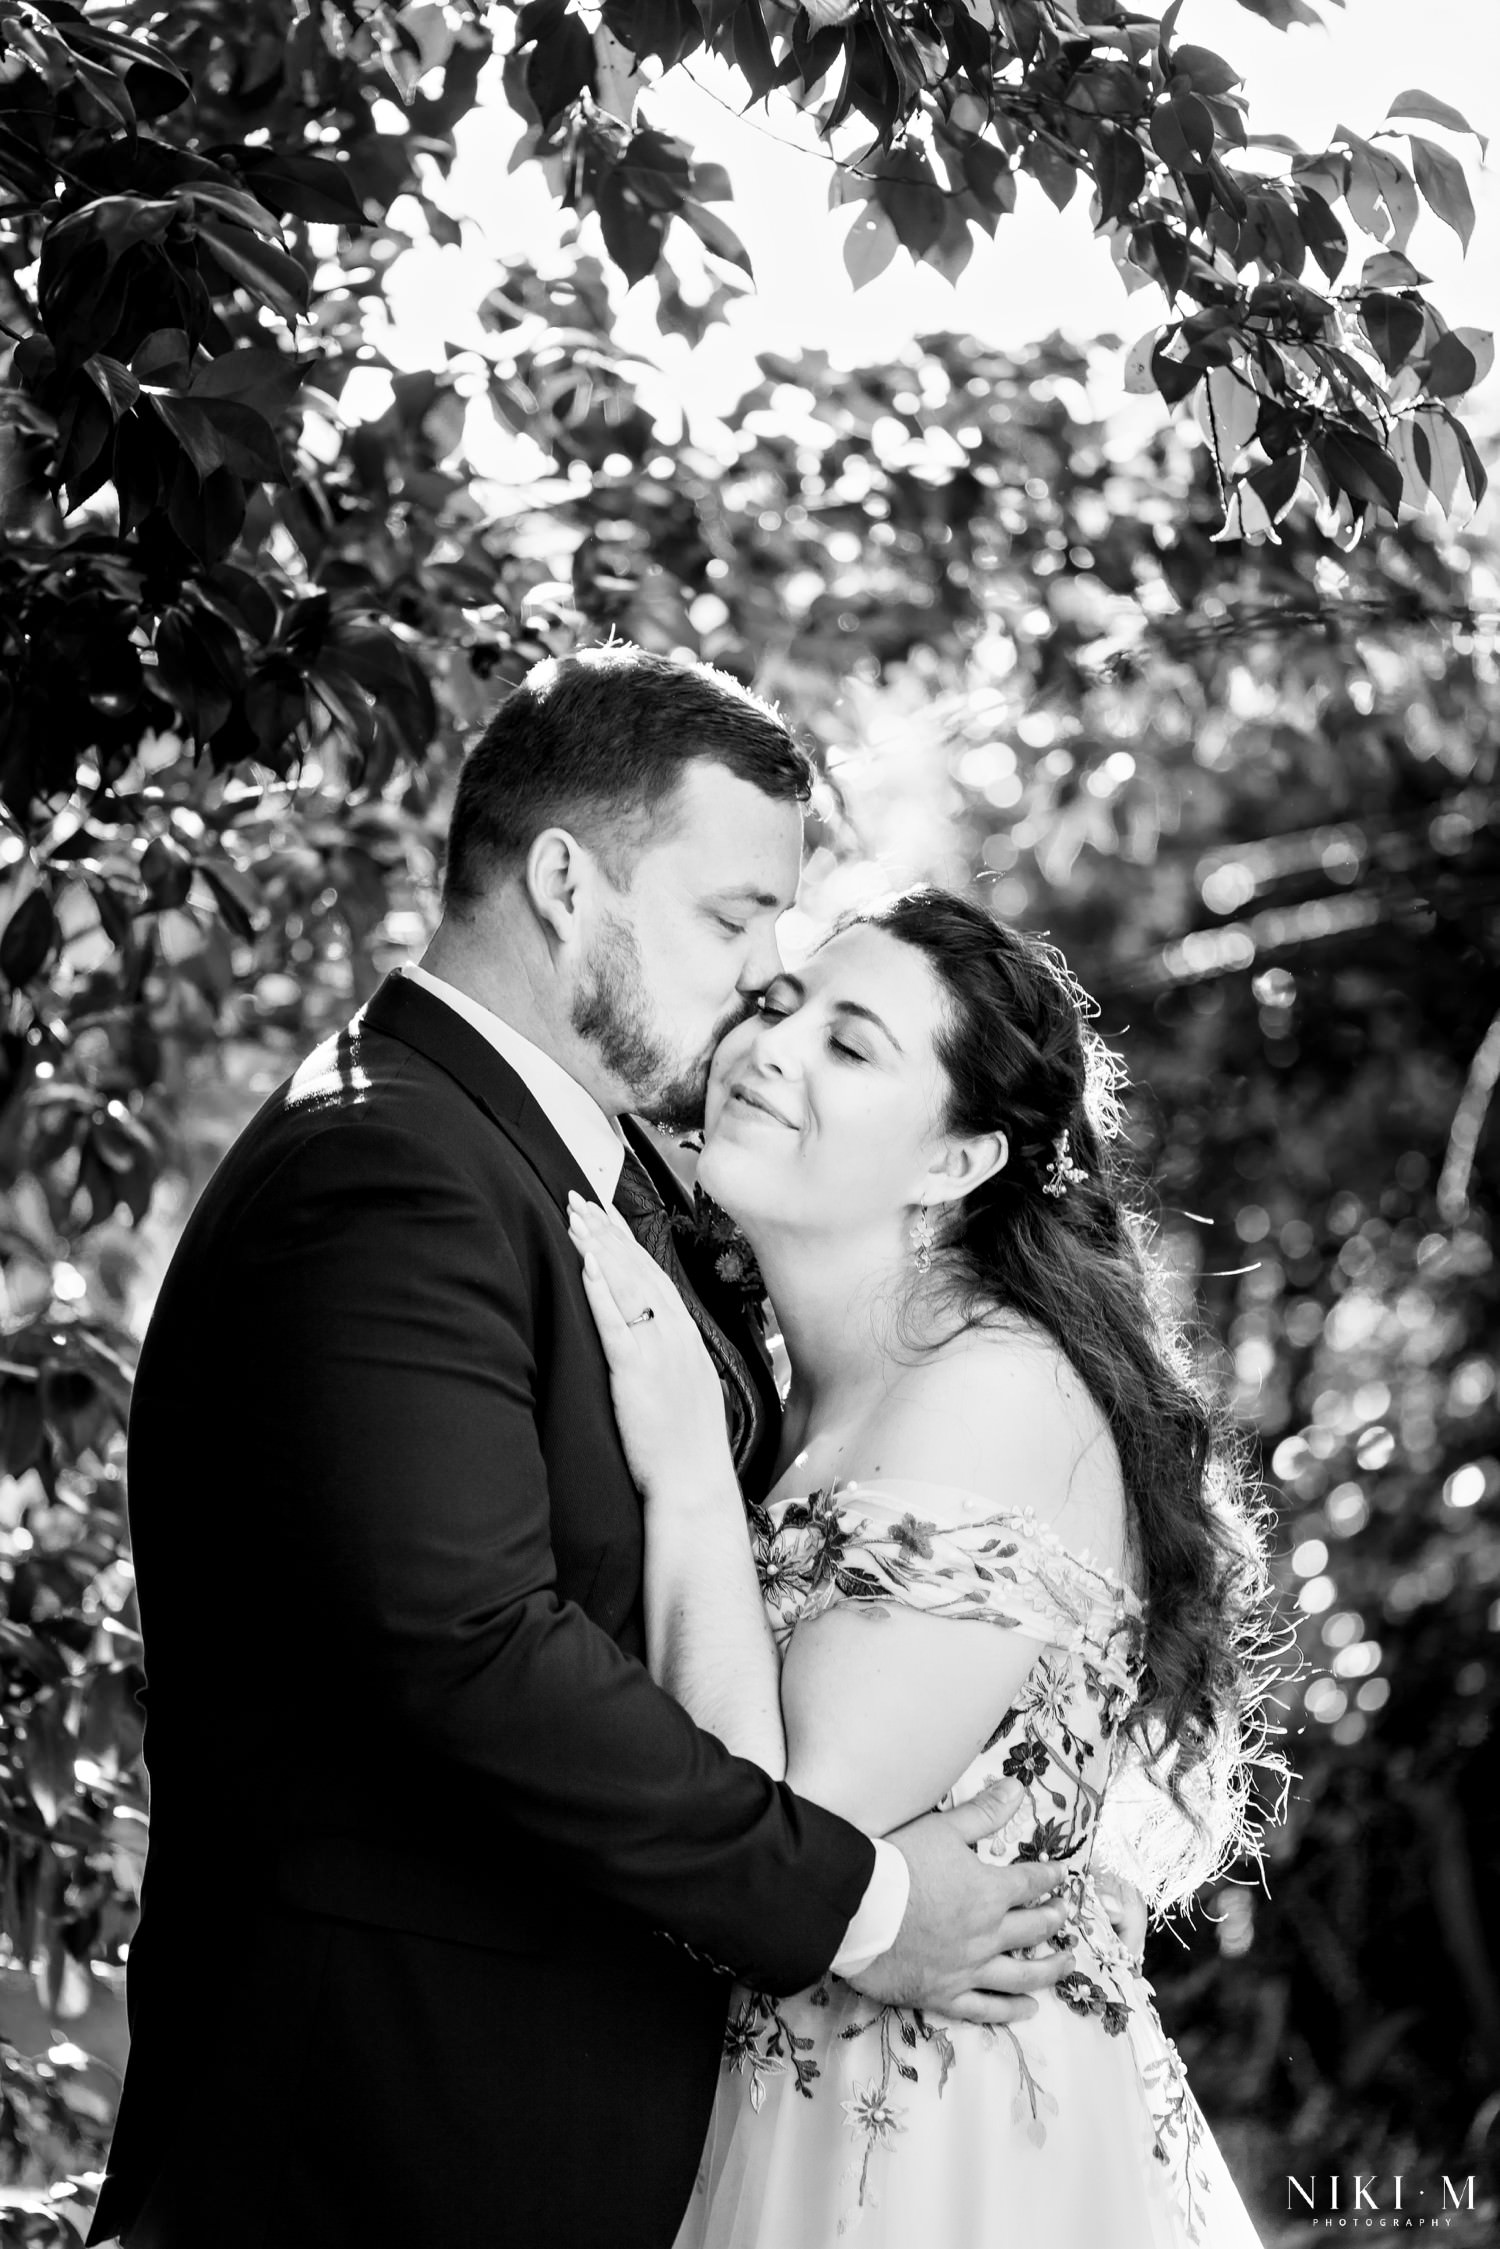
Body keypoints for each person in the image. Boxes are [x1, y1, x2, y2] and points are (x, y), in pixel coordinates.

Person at [92, 650, 1103, 2249]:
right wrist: (865, 1907)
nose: (766, 978)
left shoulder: (554, 1163)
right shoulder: (389, 1169)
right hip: (384, 2138)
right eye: (733, 916)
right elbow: (472, 1647)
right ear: (568, 881)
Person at [568, 886, 1277, 2248]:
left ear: (953, 1162)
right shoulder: (805, 1392)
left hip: (947, 2160)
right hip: (776, 2113)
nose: (768, 1049)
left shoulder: (996, 1390)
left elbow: (786, 1833)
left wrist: (686, 1479)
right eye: (781, 1005)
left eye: (852, 1046)